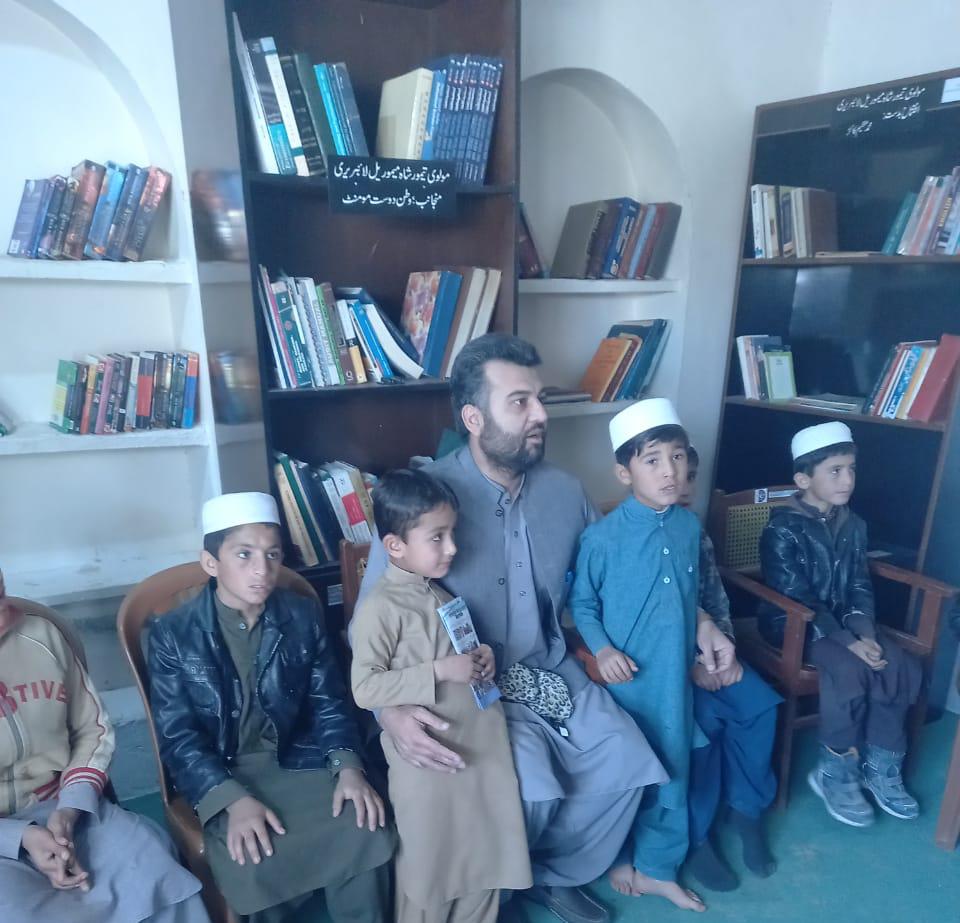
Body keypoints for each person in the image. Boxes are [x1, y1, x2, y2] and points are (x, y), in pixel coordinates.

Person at [360, 334, 667, 923]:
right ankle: (502, 879)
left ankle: (551, 875)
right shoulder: (427, 502)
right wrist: (389, 713)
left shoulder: (564, 491)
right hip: (473, 692)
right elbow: (370, 626)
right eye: (520, 402)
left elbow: (617, 575)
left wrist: (702, 620)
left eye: (541, 399)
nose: (541, 416)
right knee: (532, 789)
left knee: (630, 763)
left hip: (551, 670)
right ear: (474, 418)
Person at [148, 492, 395, 923]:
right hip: (223, 770)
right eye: (243, 555)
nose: (261, 570)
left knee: (363, 822)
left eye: (272, 555)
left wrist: (348, 768)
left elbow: (329, 703)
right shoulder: (173, 634)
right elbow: (178, 737)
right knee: (253, 854)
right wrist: (231, 800)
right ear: (211, 562)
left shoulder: (300, 615)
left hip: (297, 758)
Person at [351, 468, 532, 923]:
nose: (452, 547)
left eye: (452, 534)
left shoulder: (442, 594)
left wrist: (481, 657)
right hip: (427, 764)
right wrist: (438, 670)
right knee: (432, 860)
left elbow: (462, 653)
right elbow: (365, 686)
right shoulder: (381, 608)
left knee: (483, 852)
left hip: (479, 749)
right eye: (437, 537)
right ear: (395, 546)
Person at [571, 398, 730, 912]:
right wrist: (602, 649)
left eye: (679, 457)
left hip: (672, 680)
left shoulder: (687, 528)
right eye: (653, 459)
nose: (671, 471)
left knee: (674, 766)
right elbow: (582, 603)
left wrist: (703, 635)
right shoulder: (602, 537)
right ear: (624, 471)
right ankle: (618, 856)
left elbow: (688, 600)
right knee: (625, 770)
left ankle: (658, 868)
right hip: (625, 682)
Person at [0, 569, 210, 923]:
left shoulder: (42, 634)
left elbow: (92, 730)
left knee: (148, 856)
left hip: (64, 807)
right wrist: (20, 837)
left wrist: (69, 811)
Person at [759, 421, 922, 827]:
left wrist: (866, 634)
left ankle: (881, 766)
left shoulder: (854, 525)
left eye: (851, 468)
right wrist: (850, 643)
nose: (847, 479)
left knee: (896, 664)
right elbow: (794, 593)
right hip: (794, 624)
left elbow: (858, 585)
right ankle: (836, 770)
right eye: (834, 470)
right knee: (849, 669)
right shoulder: (783, 527)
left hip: (846, 623)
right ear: (803, 478)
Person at [678, 447, 780, 892]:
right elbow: (636, 625)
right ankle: (697, 837)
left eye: (690, 476)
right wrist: (690, 666)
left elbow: (717, 603)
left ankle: (746, 810)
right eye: (665, 469)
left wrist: (726, 654)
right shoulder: (624, 539)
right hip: (670, 670)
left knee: (759, 706)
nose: (680, 484)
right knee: (703, 728)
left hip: (715, 655)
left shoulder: (697, 534)